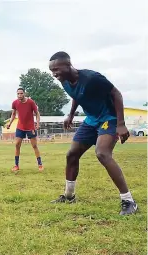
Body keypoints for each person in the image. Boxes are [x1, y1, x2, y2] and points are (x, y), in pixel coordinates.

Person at [48, 51, 137, 215]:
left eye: (56, 70)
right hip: (91, 119)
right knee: (72, 154)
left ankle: (128, 200)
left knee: (102, 153)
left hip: (108, 117)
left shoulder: (92, 78)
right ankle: (69, 196)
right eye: (51, 71)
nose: (54, 74)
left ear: (68, 65)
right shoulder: (65, 81)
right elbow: (76, 96)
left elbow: (116, 93)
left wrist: (121, 123)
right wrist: (71, 114)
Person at [6, 88, 44, 172]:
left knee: (34, 146)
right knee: (17, 145)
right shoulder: (15, 103)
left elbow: (37, 113)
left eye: (21, 93)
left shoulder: (30, 102)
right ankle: (16, 165)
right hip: (20, 127)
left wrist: (37, 123)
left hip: (30, 127)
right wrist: (10, 123)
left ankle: (40, 164)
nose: (19, 95)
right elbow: (13, 114)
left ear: (24, 93)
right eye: (18, 94)